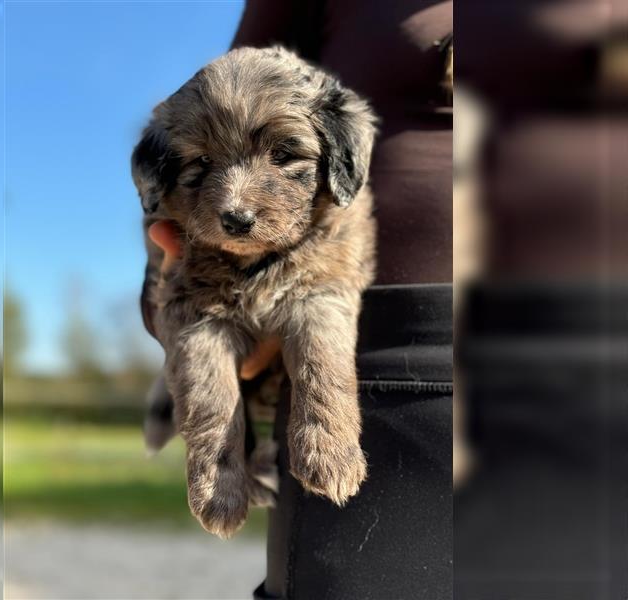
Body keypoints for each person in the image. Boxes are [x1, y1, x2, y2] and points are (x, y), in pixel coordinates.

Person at [144, 2, 453, 597]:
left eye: (284, 155)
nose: (235, 200)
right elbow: (177, 296)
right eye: (203, 164)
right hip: (391, 359)